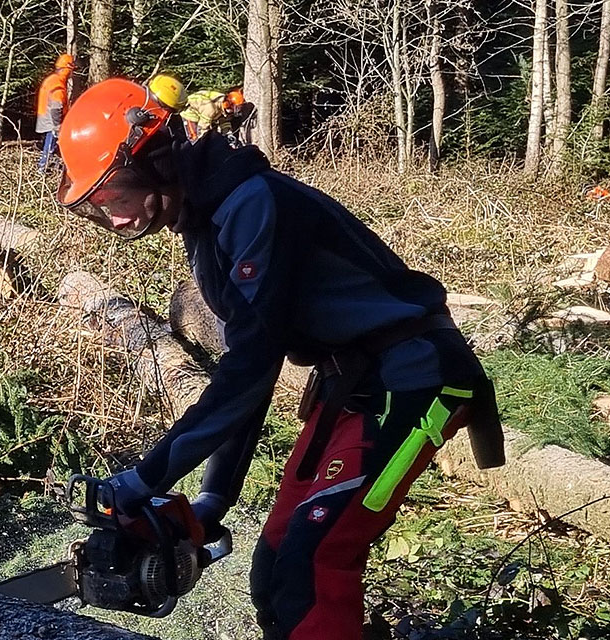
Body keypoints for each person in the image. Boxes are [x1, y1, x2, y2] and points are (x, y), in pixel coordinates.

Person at [53, 77, 505, 640]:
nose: (116, 216)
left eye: (117, 195)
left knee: (314, 563)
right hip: (352, 383)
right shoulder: (204, 220)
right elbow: (249, 366)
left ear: (158, 159)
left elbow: (252, 367)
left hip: (415, 380)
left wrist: (147, 476)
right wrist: (214, 498)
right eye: (100, 204)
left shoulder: (250, 203)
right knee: (273, 567)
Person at [35, 53, 75, 172]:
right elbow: (56, 108)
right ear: (66, 69)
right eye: (70, 70)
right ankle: (42, 169)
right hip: (51, 121)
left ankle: (47, 167)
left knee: (50, 146)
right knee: (50, 147)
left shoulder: (52, 79)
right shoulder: (57, 84)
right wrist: (58, 126)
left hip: (46, 118)